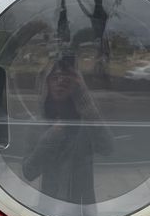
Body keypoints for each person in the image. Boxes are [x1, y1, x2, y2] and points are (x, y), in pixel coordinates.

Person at [22, 55, 113, 206]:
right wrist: (51, 137)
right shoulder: (37, 123)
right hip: (48, 206)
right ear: (46, 84)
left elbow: (108, 148)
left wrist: (87, 105)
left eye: (67, 78)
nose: (60, 82)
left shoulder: (87, 121)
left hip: (83, 206)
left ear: (77, 84)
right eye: (55, 77)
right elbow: (29, 172)